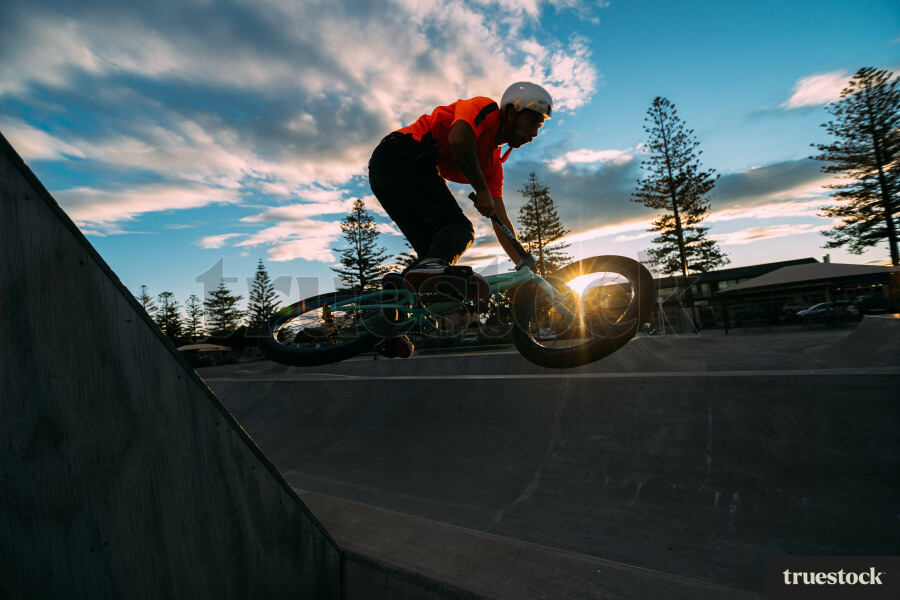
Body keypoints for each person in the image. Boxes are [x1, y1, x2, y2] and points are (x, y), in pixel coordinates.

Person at [367, 82, 553, 358]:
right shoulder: (485, 109)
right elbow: (458, 139)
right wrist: (480, 190)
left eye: (539, 127)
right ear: (511, 112)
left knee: (433, 253)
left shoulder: (493, 166)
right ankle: (426, 272)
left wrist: (524, 264)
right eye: (531, 122)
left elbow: (500, 222)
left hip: (386, 174)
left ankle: (386, 327)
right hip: (401, 153)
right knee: (459, 229)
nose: (534, 133)